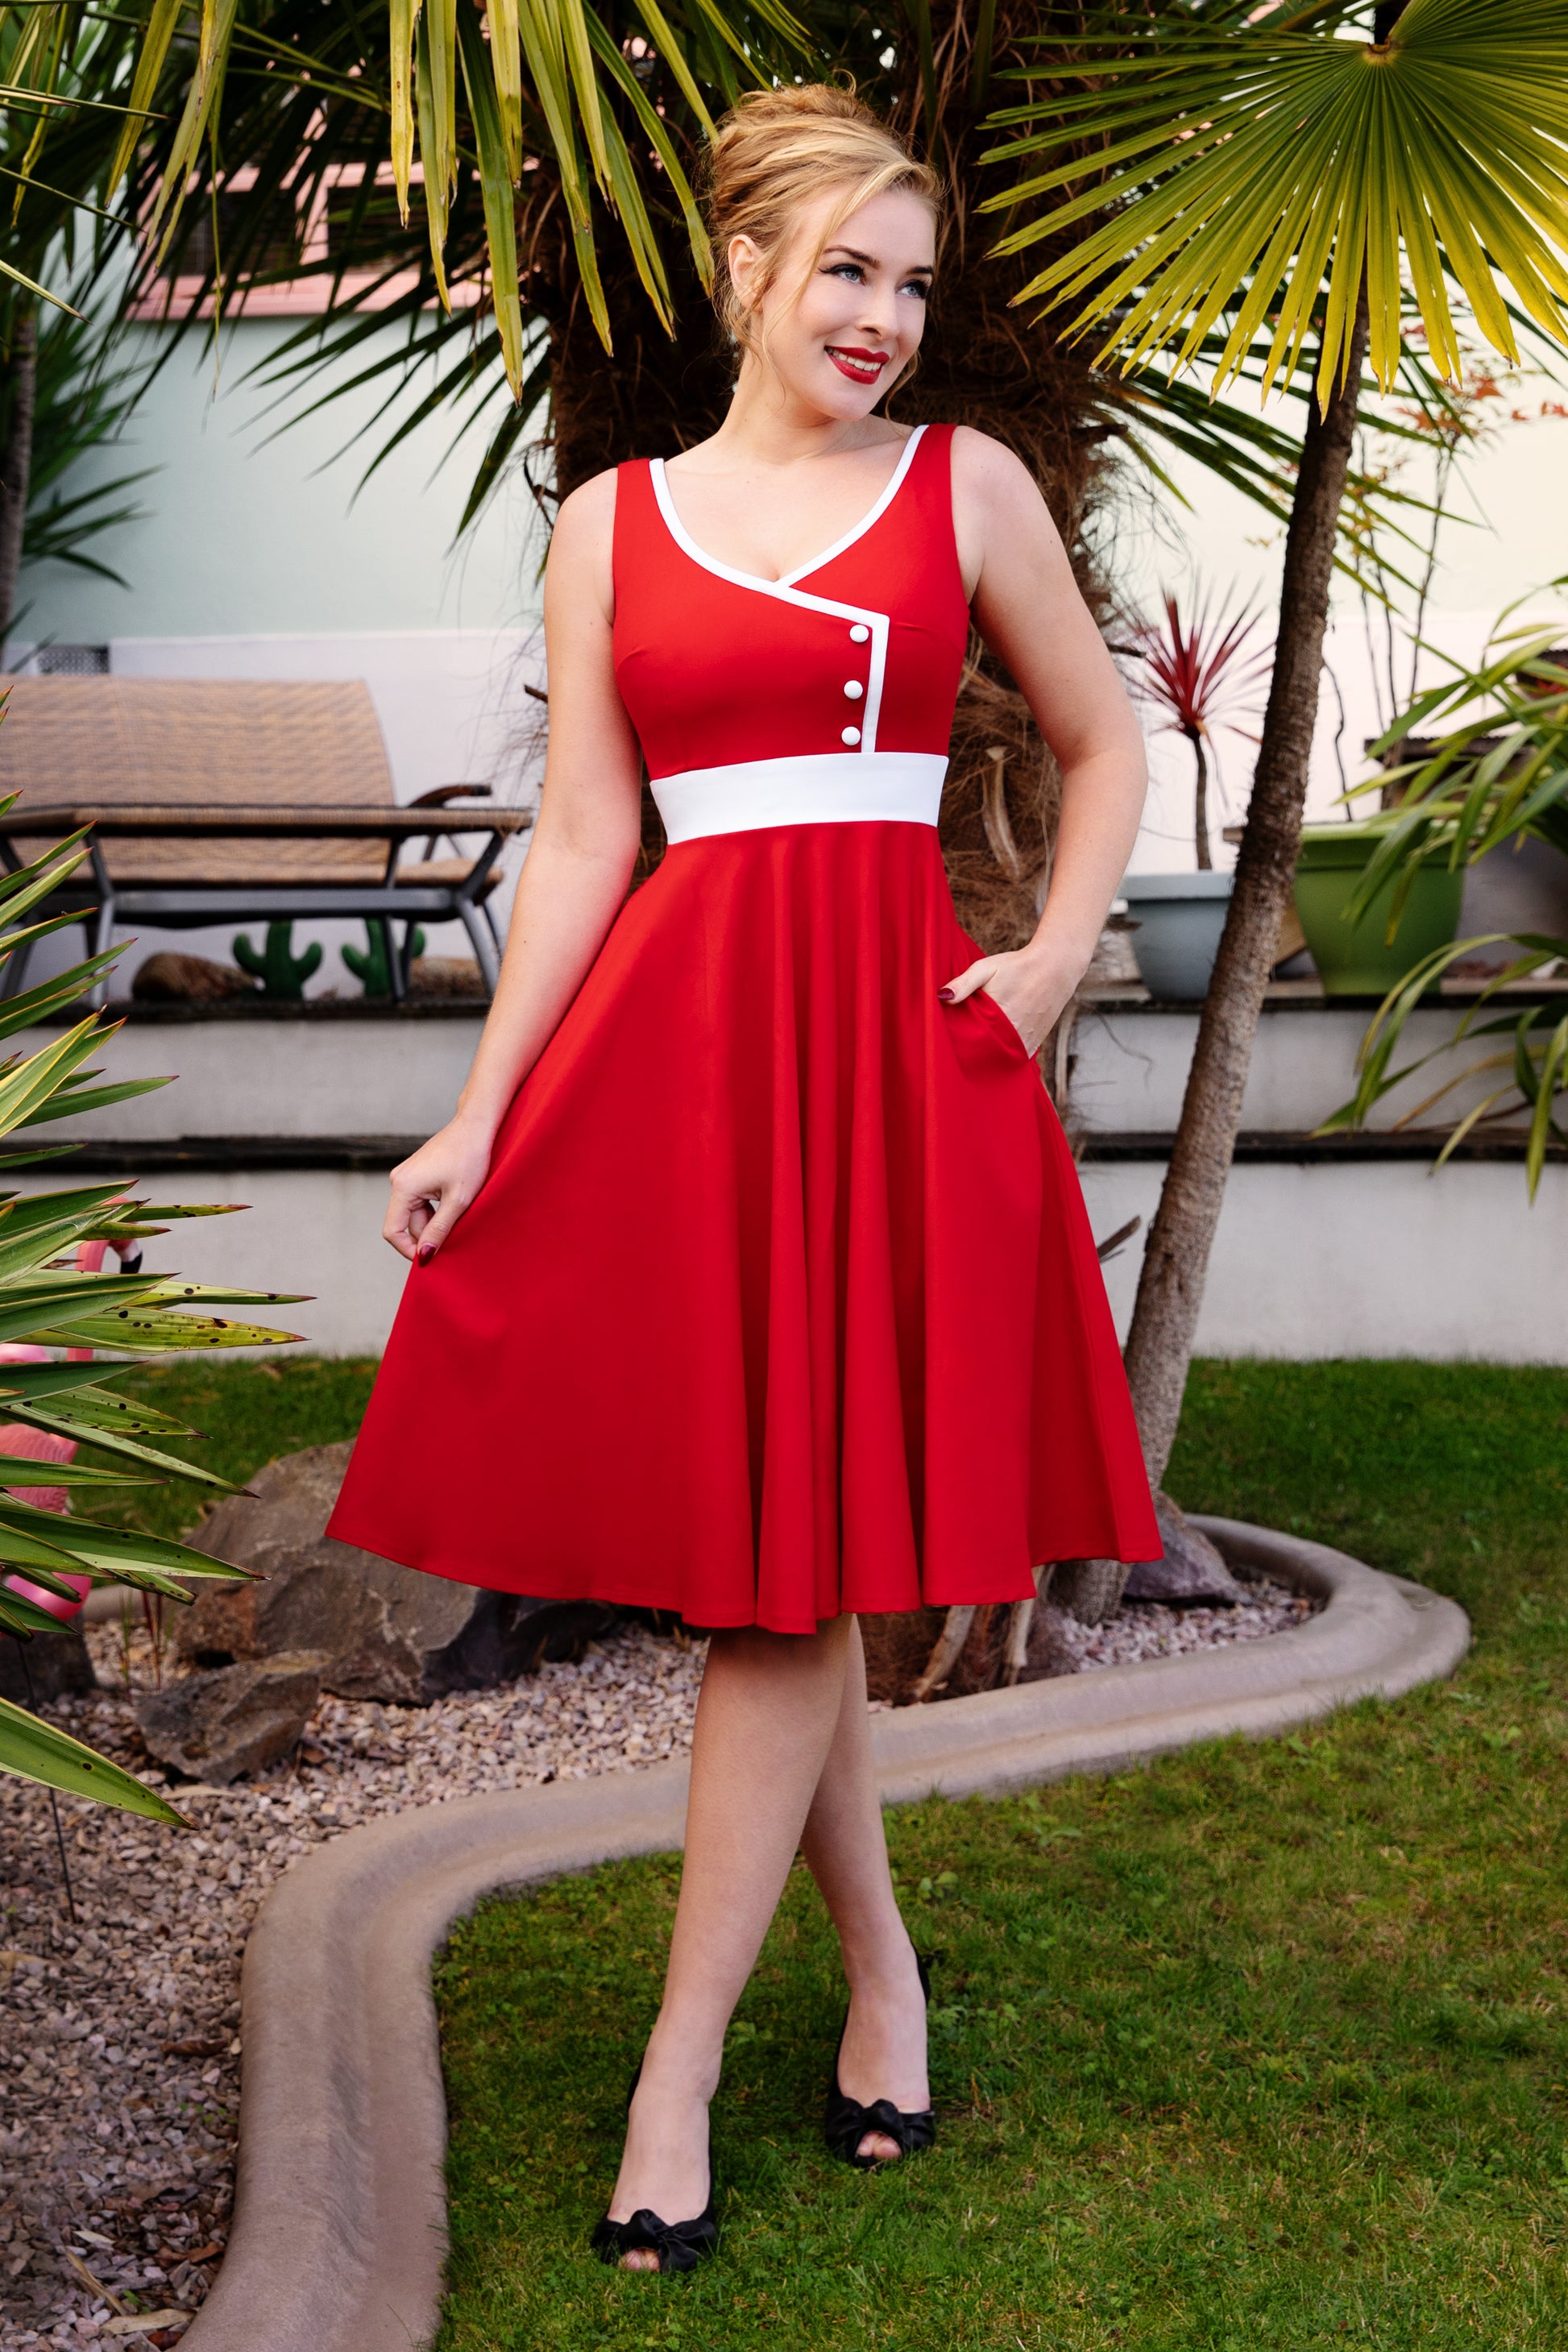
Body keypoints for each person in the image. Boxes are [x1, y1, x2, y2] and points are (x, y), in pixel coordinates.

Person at [328, 81, 1159, 2275]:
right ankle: (879, 1977)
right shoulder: (610, 525)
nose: (882, 315)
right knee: (786, 1569)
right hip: (689, 1064)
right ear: (745, 268)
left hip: (893, 1059)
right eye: (845, 270)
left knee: (796, 1581)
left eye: (912, 281)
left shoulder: (964, 486)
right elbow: (585, 836)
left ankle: (675, 2068)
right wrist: (481, 1109)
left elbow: (1104, 741)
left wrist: (1051, 955)